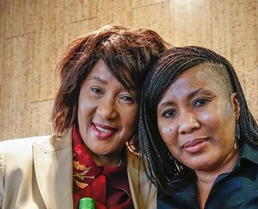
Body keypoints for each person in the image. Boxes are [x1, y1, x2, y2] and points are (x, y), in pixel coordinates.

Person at [0, 25, 169, 209]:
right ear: (76, 91)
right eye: (96, 90)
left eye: (126, 98)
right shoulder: (7, 164)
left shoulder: (159, 182)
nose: (106, 112)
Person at [138, 46, 258, 208]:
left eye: (201, 102)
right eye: (169, 113)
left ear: (235, 106)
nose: (187, 125)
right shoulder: (158, 201)